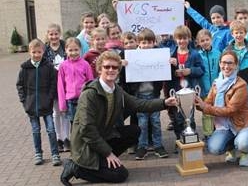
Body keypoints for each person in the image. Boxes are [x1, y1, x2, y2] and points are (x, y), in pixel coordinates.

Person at [60, 51, 177, 185]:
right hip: (85, 146)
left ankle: (102, 161)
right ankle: (76, 168)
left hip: (102, 137)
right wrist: (108, 153)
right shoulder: (89, 95)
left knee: (134, 131)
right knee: (120, 175)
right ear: (99, 69)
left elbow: (138, 103)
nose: (111, 70)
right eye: (107, 67)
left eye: (115, 67)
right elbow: (87, 130)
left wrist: (164, 103)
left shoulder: (116, 90)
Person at [194, 50, 248, 167]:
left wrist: (206, 107)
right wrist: (196, 102)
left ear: (236, 65)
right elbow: (208, 103)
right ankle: (231, 149)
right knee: (214, 148)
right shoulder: (216, 83)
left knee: (242, 143)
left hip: (243, 125)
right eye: (224, 62)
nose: (226, 66)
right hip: (224, 126)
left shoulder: (241, 85)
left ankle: (245, 152)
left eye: (230, 63)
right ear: (219, 64)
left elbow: (231, 110)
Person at [16, 39, 62, 166]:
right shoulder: (25, 68)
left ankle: (55, 154)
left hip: (46, 104)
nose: (36, 54)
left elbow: (54, 83)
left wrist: (50, 98)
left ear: (43, 52)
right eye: (34, 52)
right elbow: (20, 85)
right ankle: (38, 153)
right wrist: (24, 102)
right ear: (29, 52)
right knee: (36, 130)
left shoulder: (48, 67)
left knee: (51, 130)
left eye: (39, 52)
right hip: (31, 106)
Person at [126, 28, 169, 160]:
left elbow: (166, 71)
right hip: (139, 96)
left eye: (149, 43)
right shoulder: (132, 56)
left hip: (154, 95)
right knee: (142, 122)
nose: (146, 45)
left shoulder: (158, 55)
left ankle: (158, 145)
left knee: (155, 121)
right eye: (143, 43)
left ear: (154, 42)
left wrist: (170, 64)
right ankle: (142, 146)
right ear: (139, 43)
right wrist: (124, 64)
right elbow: (125, 75)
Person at [166, 25, 205, 148]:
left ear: (189, 39)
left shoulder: (195, 54)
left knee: (190, 117)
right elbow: (165, 73)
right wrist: (172, 70)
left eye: (184, 38)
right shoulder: (171, 54)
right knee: (177, 118)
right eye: (179, 38)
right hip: (176, 90)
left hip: (190, 91)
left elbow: (201, 70)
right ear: (175, 39)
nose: (182, 41)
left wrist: (190, 71)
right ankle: (180, 139)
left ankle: (191, 139)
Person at [225, 21, 248, 110]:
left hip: (247, 88)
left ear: (245, 33)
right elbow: (223, 68)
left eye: (241, 32)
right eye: (236, 33)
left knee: (245, 112)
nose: (239, 35)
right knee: (233, 111)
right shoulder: (227, 51)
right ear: (232, 34)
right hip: (232, 87)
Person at [57, 38, 94, 127]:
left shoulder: (85, 64)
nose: (73, 53)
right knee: (74, 125)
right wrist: (62, 104)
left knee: (85, 124)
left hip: (83, 99)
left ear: (80, 49)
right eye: (70, 50)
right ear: (66, 50)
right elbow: (60, 85)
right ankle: (75, 141)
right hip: (70, 101)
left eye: (76, 50)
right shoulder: (63, 66)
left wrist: (91, 99)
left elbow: (91, 82)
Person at [44, 23, 69, 152]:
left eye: (56, 34)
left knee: (65, 112)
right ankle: (58, 138)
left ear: (60, 34)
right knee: (56, 113)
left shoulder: (66, 47)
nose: (54, 36)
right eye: (51, 34)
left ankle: (66, 138)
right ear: (48, 35)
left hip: (66, 84)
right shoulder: (45, 50)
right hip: (52, 85)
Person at [196, 29, 221, 140]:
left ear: (211, 40)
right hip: (204, 89)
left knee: (217, 111)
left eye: (207, 39)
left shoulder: (218, 53)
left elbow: (221, 70)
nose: (205, 42)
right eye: (202, 40)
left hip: (217, 89)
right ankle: (208, 134)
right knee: (206, 113)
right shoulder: (197, 55)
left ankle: (219, 132)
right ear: (198, 42)